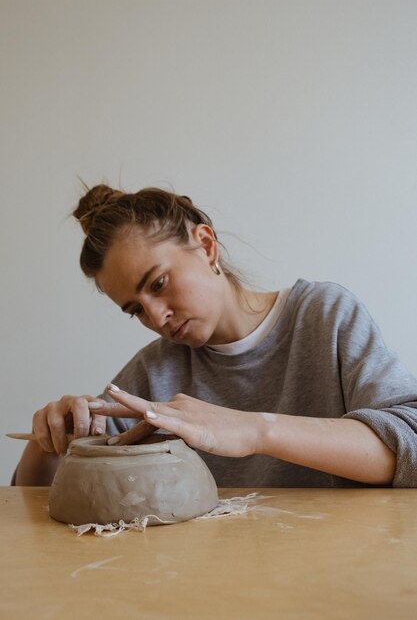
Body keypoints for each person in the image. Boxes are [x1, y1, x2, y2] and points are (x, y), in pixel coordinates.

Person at [14, 185, 417, 488]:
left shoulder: (323, 316)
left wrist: (254, 430)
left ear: (206, 246)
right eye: (135, 309)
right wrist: (51, 438)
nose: (156, 317)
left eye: (158, 283)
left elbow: (409, 446)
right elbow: (37, 496)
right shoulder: (156, 370)